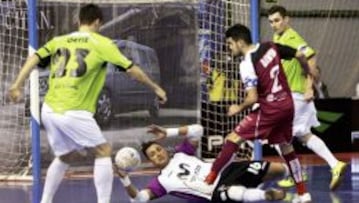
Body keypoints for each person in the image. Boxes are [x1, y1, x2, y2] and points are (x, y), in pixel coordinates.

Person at [7, 4, 167, 203]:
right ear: (98, 22)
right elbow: (131, 69)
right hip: (73, 109)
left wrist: (16, 84)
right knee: (103, 151)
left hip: (49, 109)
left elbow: (35, 58)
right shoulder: (102, 43)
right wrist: (156, 88)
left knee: (67, 156)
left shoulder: (60, 40)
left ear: (78, 21)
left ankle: (45, 201)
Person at [203, 24, 312, 203]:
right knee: (287, 148)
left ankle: (209, 180)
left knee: (233, 138)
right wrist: (308, 76)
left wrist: (238, 107)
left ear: (239, 42)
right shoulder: (270, 46)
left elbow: (252, 98)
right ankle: (303, 194)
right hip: (287, 104)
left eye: (230, 44)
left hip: (271, 109)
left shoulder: (247, 63)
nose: (229, 48)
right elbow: (300, 55)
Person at [267, 5, 346, 190]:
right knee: (303, 136)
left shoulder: (293, 37)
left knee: (276, 136)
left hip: (296, 95)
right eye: (271, 21)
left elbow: (310, 57)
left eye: (277, 20)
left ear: (287, 19)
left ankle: (296, 172)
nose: (274, 25)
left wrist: (309, 87)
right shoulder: (278, 37)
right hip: (290, 95)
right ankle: (335, 164)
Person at [115, 124, 287, 202]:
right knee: (233, 192)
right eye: (152, 155)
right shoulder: (159, 183)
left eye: (158, 150)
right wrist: (125, 180)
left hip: (225, 172)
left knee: (279, 169)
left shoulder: (181, 153)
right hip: (214, 193)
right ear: (150, 162)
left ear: (164, 149)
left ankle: (294, 176)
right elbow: (139, 199)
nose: (158, 154)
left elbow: (198, 130)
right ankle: (265, 196)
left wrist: (168, 132)